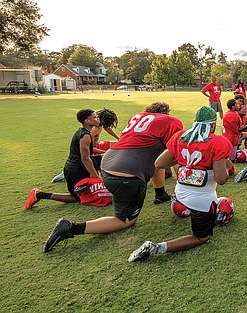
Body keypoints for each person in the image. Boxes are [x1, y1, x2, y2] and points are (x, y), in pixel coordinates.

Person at [43, 102, 183, 253]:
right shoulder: (171, 122)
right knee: (125, 221)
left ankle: (160, 194)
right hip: (127, 174)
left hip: (107, 165)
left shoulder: (137, 117)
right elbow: (175, 151)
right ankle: (71, 227)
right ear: (166, 112)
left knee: (157, 156)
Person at [128, 106, 232, 261]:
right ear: (212, 125)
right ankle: (158, 247)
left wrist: (186, 161)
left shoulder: (180, 137)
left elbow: (159, 162)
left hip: (180, 194)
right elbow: (221, 179)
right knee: (201, 237)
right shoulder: (217, 142)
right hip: (202, 199)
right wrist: (214, 162)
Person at [25, 109, 102, 209]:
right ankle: (39, 195)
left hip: (74, 167)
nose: (97, 118)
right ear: (87, 121)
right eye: (95, 117)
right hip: (76, 169)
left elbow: (89, 152)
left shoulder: (84, 132)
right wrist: (94, 175)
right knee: (76, 198)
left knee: (105, 157)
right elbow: (85, 159)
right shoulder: (85, 136)